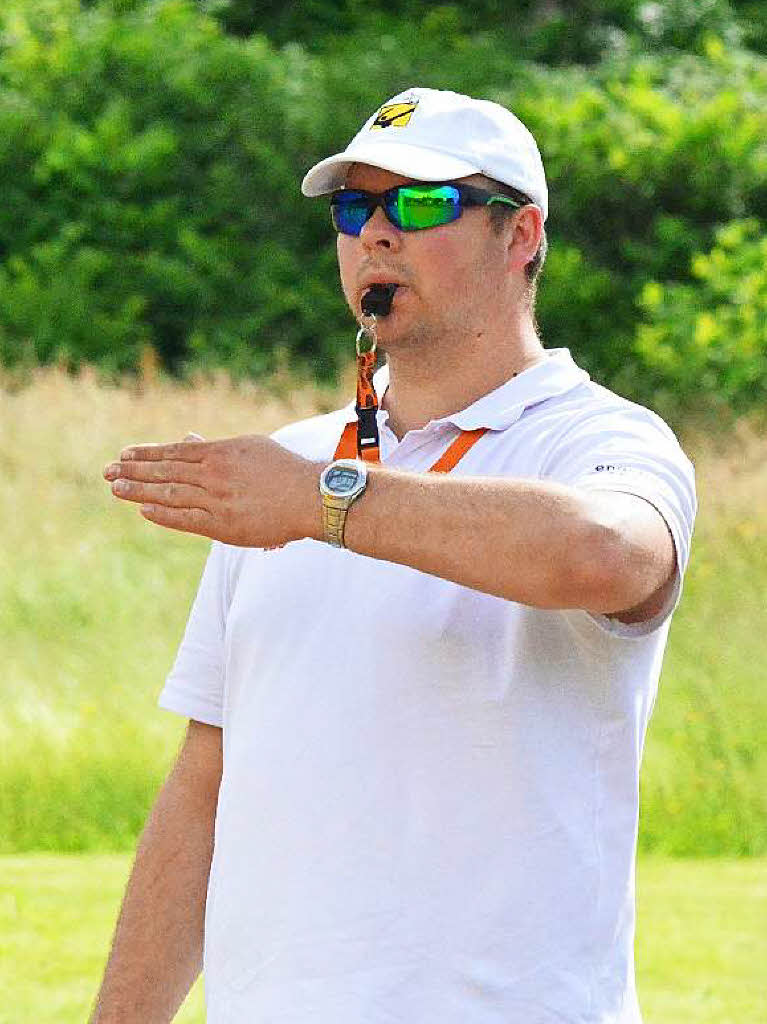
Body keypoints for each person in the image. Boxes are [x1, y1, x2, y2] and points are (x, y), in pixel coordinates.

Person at [93, 87, 696, 1023]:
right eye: (353, 209)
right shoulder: (280, 468)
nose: (376, 234)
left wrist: (321, 500)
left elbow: (609, 555)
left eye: (422, 203)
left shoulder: (598, 437)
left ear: (520, 234)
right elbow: (204, 786)